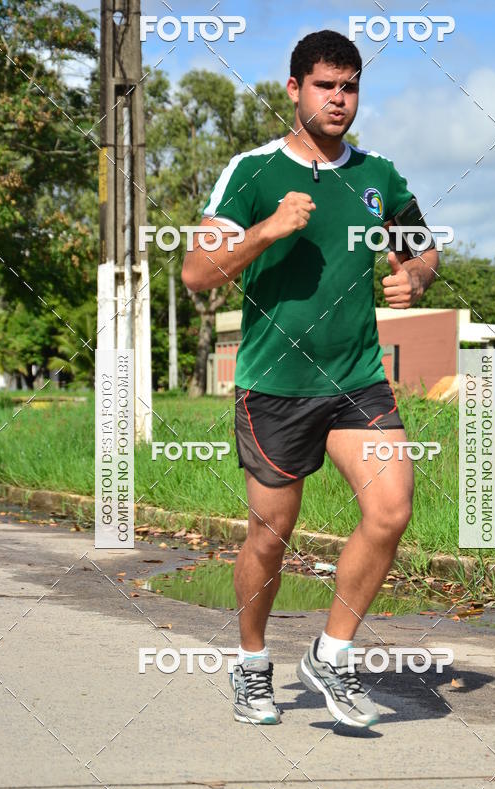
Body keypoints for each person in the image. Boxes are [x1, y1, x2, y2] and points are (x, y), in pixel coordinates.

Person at [182, 30, 439, 728]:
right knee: (271, 534)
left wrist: (412, 277)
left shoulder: (379, 175)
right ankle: (251, 663)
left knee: (390, 511)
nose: (339, 99)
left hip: (358, 378)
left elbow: (424, 251)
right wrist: (266, 230)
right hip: (275, 383)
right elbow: (197, 273)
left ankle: (332, 653)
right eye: (325, 86)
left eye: (350, 87)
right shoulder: (254, 171)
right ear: (294, 90)